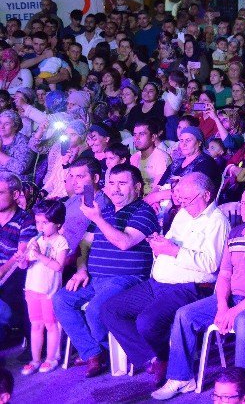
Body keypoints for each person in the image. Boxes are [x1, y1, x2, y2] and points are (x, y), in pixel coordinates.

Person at [152, 182, 245, 399]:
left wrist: (234, 312)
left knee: (244, 320)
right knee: (184, 315)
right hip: (231, 298)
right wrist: (222, 305)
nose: (243, 207)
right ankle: (181, 378)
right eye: (242, 202)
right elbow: (225, 274)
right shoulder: (235, 233)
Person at [102, 171, 229, 383]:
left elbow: (211, 265)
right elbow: (170, 244)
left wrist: (173, 251)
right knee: (110, 309)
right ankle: (153, 358)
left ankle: (163, 358)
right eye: (181, 199)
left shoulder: (217, 222)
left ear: (206, 196)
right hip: (158, 282)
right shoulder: (182, 215)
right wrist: (158, 244)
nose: (184, 204)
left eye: (188, 199)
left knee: (147, 321)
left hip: (189, 288)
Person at [55, 163, 159, 376]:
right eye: (111, 183)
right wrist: (81, 269)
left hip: (126, 279)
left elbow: (125, 242)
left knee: (95, 310)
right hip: (94, 278)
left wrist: (98, 219)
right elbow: (85, 244)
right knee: (61, 299)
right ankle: (93, 353)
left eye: (122, 183)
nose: (115, 189)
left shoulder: (143, 211)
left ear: (137, 187)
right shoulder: (106, 210)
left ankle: (107, 351)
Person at [20, 199, 69, 375]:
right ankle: (35, 359)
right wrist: (22, 261)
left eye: (45, 222)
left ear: (57, 224)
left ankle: (51, 358)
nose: (40, 226)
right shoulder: (34, 239)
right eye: (37, 222)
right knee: (36, 325)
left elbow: (58, 266)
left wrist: (39, 254)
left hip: (49, 292)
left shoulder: (60, 242)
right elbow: (26, 265)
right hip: (32, 289)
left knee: (51, 324)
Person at [0, 173, 36, 351]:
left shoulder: (26, 220)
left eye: (0, 193)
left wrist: (1, 271)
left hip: (15, 273)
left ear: (15, 195)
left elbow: (20, 255)